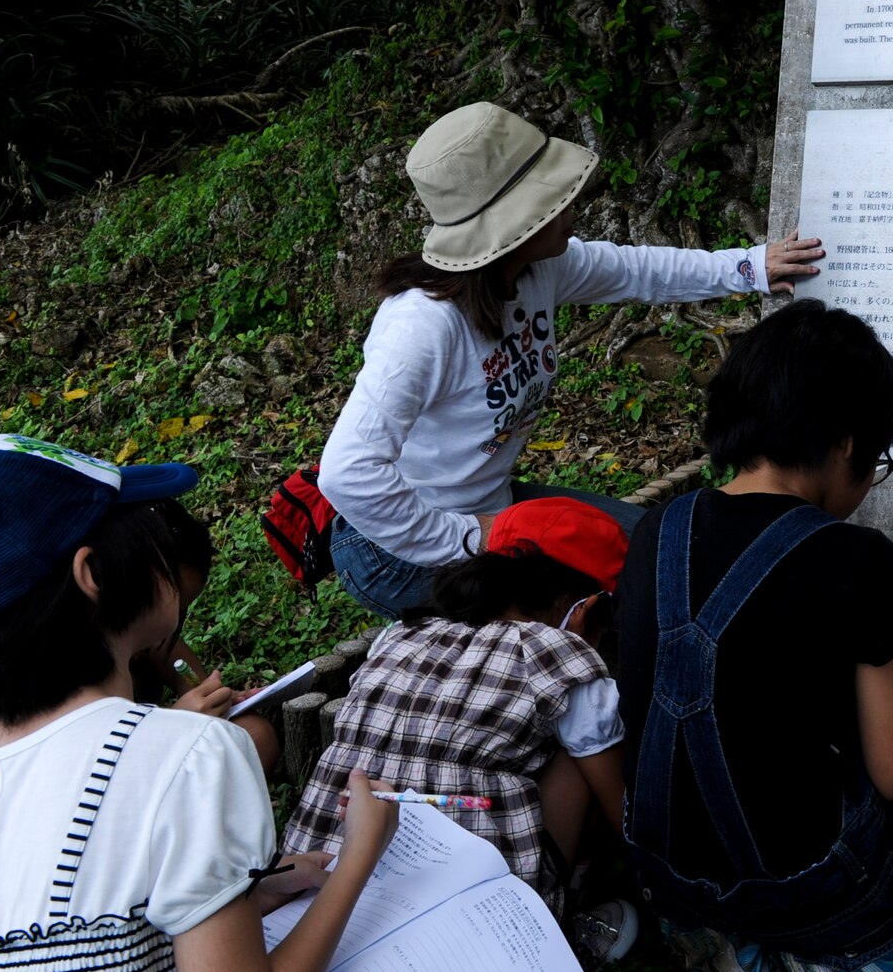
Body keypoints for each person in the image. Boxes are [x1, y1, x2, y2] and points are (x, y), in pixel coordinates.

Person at [616, 300, 893, 972]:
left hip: (662, 872)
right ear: (849, 446)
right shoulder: (858, 559)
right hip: (814, 891)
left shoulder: (658, 530)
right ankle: (847, 954)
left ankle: (729, 943)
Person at [319, 100, 825, 618]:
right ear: (510, 225)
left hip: (493, 505)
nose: (572, 206)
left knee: (650, 552)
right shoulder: (423, 324)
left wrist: (747, 266)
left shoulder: (540, 269)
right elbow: (347, 473)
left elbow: (635, 270)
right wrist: (475, 537)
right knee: (595, 611)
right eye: (552, 199)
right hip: (396, 549)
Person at [0, 434, 398, 972]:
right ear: (92, 573)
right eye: (143, 528)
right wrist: (359, 858)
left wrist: (249, 891)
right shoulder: (188, 753)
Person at [284, 496, 628, 920]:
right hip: (468, 909)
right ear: (585, 609)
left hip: (320, 878)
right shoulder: (562, 655)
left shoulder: (400, 633)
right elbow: (619, 807)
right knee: (582, 756)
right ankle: (567, 909)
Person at [129, 497, 282, 777]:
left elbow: (195, 686)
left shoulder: (158, 643)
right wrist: (173, 724)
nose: (170, 625)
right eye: (163, 608)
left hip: (151, 762)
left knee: (255, 734)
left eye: (182, 610)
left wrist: (218, 700)